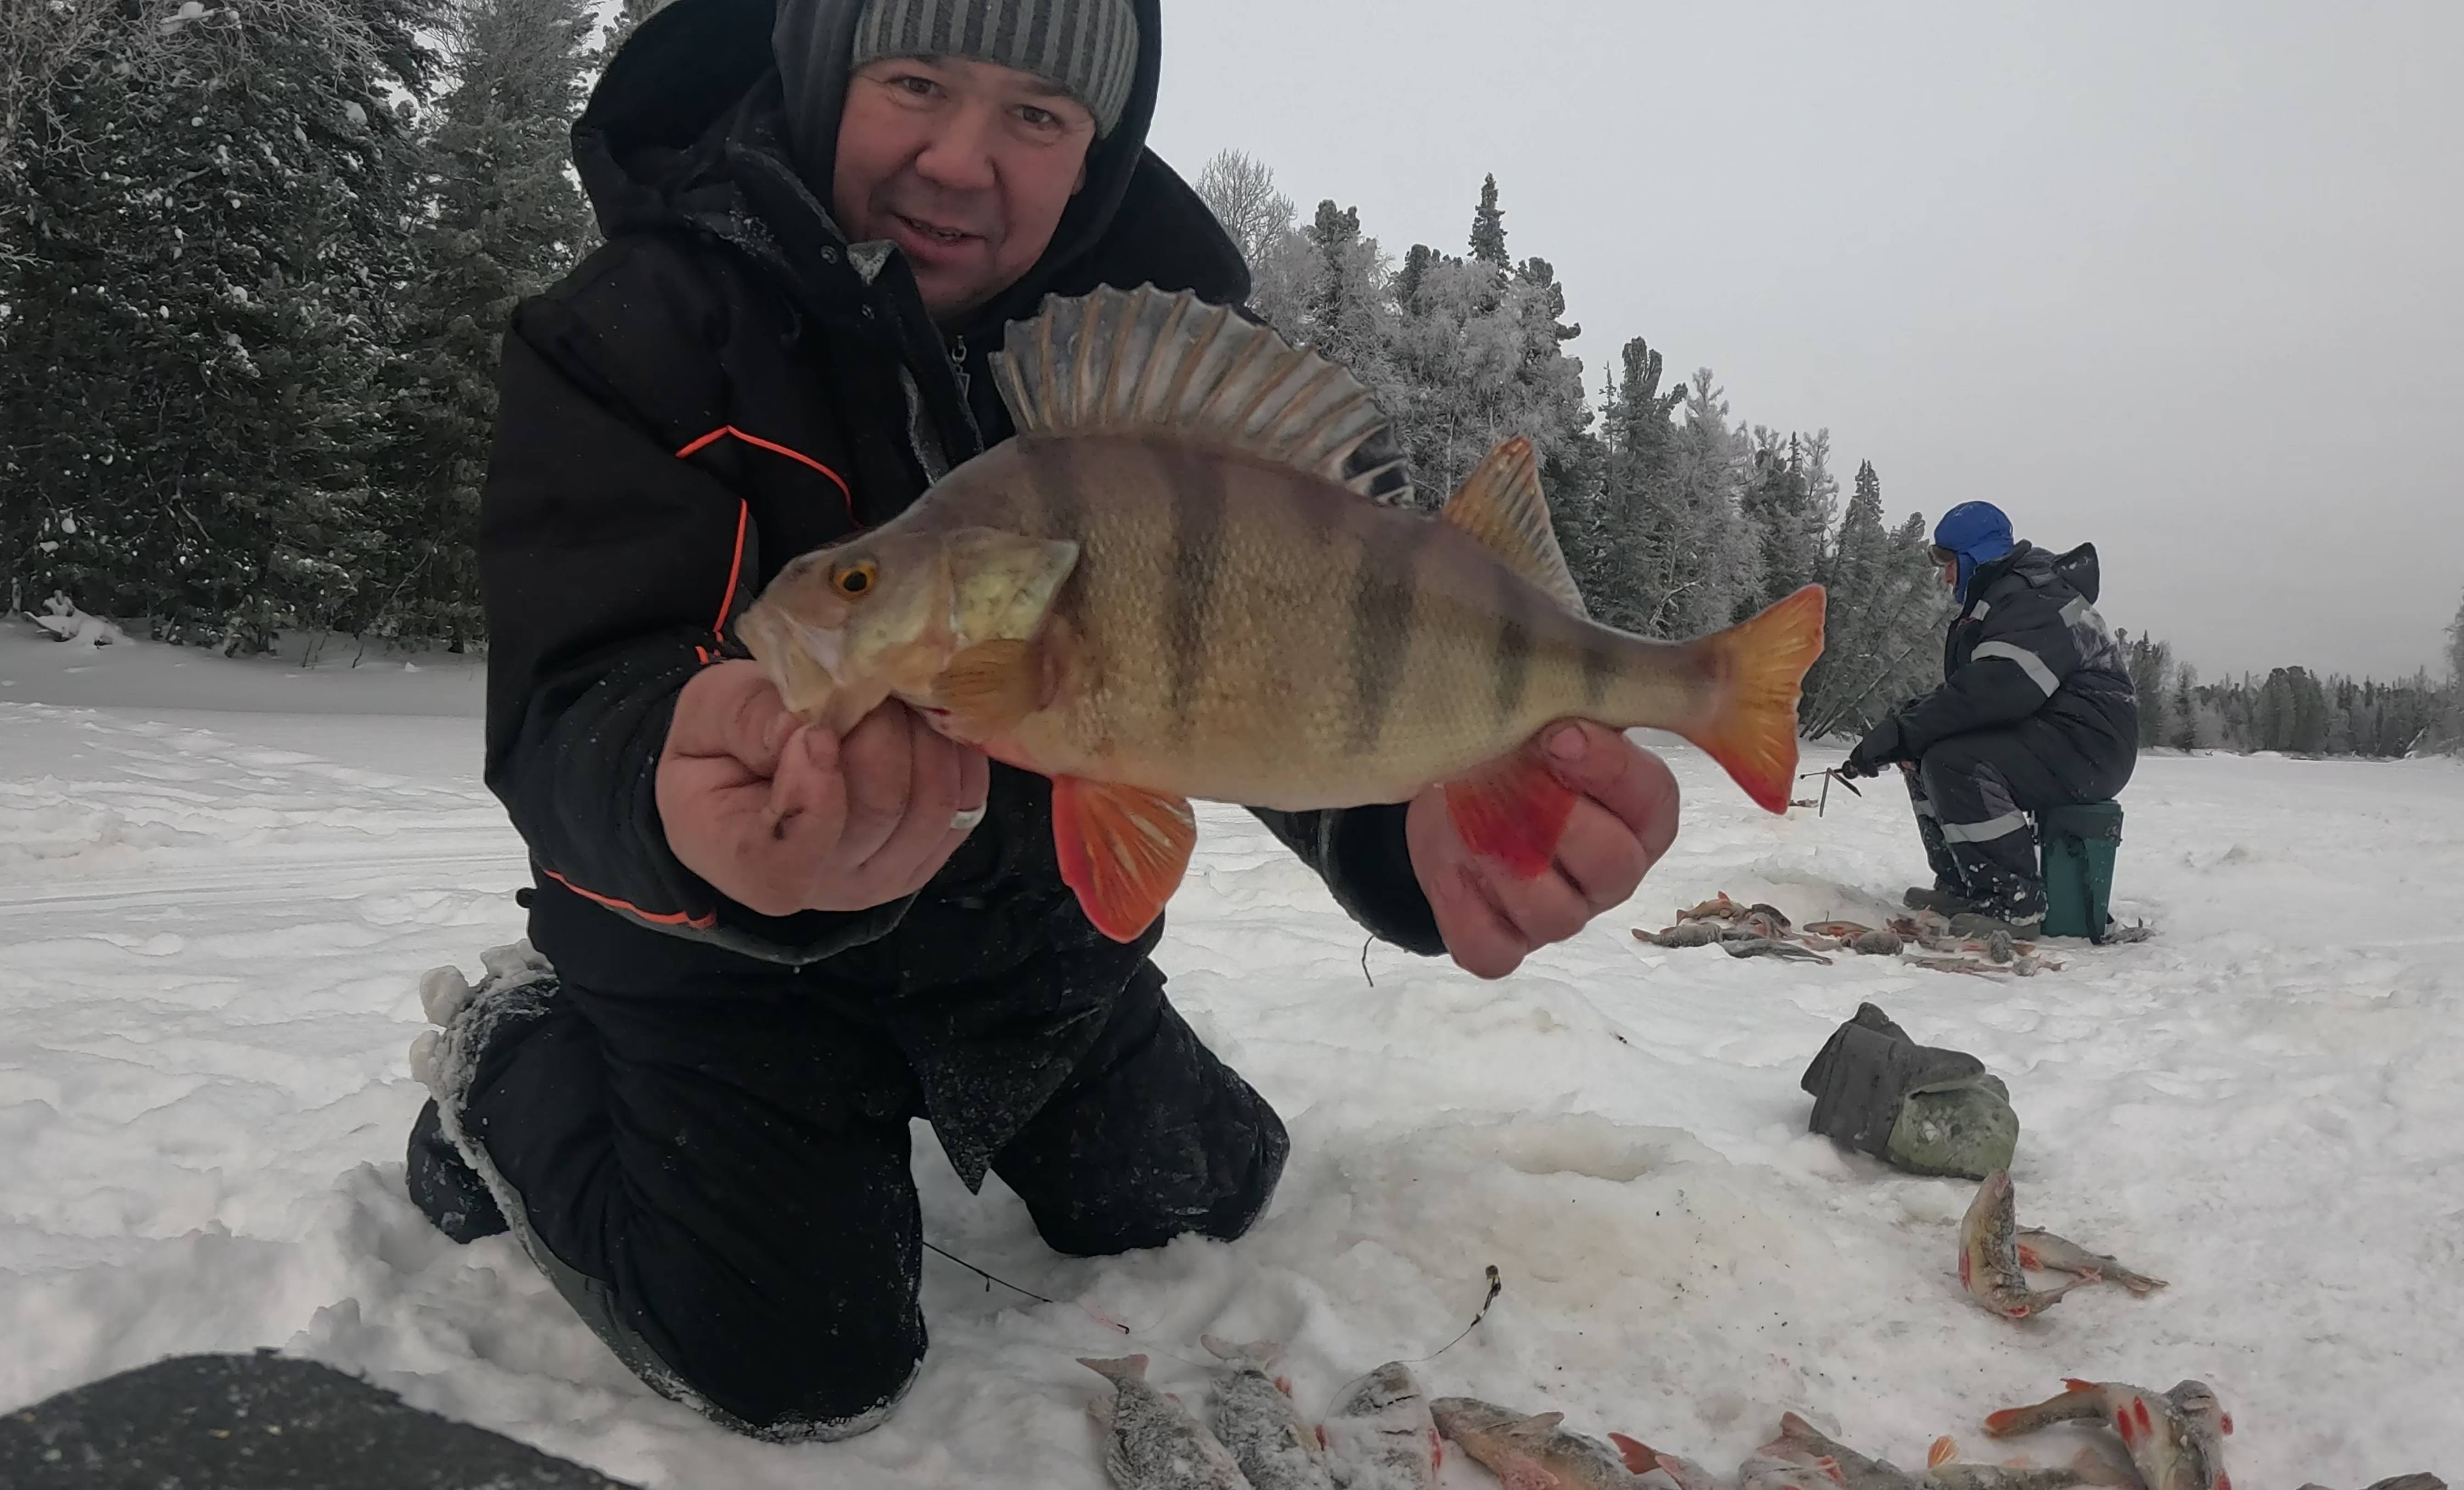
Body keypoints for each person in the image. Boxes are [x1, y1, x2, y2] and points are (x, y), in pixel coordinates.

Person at [400, 0, 1683, 1445]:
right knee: (797, 1360)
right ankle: (509, 1055)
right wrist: (681, 808)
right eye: (916, 82)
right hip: (711, 969)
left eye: (1036, 114)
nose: (961, 160)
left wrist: (1419, 820)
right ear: (823, 79)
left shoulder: (1165, 380)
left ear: (1096, 151)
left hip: (1019, 959)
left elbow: (1278, 669)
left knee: (1205, 1193)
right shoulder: (633, 335)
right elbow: (578, 692)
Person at [1841, 501, 2136, 935]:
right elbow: (1979, 694)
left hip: (2091, 745)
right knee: (1925, 751)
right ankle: (1965, 883)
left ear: (1973, 557)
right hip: (2057, 733)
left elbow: (1996, 691)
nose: (1944, 576)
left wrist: (1904, 730)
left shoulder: (2034, 598)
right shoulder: (2004, 598)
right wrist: (1906, 730)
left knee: (1953, 761)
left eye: (1948, 563)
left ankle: (2012, 901)